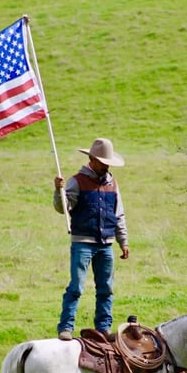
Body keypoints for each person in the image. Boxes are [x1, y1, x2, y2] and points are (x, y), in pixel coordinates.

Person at [53, 138, 129, 341]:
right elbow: (64, 209)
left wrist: (123, 241)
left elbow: (118, 213)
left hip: (106, 244)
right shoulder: (76, 181)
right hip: (82, 243)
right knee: (76, 287)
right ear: (92, 160)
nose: (106, 166)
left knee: (106, 288)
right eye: (103, 162)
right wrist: (58, 191)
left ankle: (103, 328)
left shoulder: (112, 183)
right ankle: (65, 327)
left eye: (108, 162)